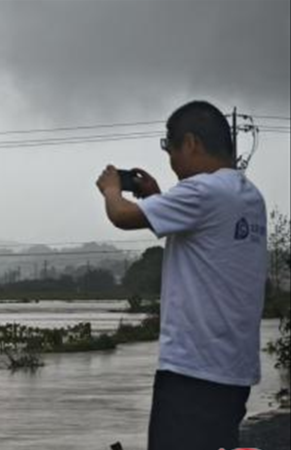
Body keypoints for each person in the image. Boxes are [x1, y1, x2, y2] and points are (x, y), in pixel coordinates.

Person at [96, 101, 267, 450]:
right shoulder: (249, 196)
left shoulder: (203, 191)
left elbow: (122, 215)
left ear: (190, 143)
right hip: (233, 373)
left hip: (192, 374)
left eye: (170, 149)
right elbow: (201, 239)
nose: (172, 161)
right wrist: (158, 198)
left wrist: (111, 188)